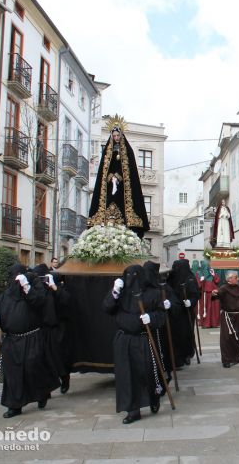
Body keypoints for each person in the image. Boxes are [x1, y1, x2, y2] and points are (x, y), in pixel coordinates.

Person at [0, 265, 57, 417]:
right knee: (13, 374)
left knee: (33, 369)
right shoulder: (6, 295)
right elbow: (1, 314)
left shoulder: (34, 287)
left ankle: (42, 394)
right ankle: (14, 406)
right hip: (12, 341)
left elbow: (40, 302)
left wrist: (27, 287)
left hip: (32, 337)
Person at [104, 265, 166, 424]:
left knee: (146, 372)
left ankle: (153, 398)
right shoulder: (122, 293)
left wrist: (151, 317)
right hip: (124, 339)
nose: (132, 278)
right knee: (126, 375)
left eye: (135, 275)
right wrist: (115, 292)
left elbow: (161, 315)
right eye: (129, 275)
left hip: (143, 339)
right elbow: (107, 308)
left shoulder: (153, 293)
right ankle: (133, 409)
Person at [88, 126, 150, 236]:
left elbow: (131, 172)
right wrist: (111, 177)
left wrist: (118, 177)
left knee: (124, 207)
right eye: (114, 136)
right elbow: (103, 171)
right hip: (109, 187)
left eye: (118, 135)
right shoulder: (107, 151)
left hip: (124, 190)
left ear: (121, 135)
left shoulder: (128, 151)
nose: (116, 138)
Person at [33, 264, 71, 394]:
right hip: (42, 329)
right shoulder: (37, 290)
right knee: (43, 360)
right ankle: (45, 390)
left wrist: (54, 288)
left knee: (59, 357)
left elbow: (66, 301)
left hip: (57, 328)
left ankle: (64, 378)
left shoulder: (57, 288)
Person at [211, 271, 239, 368]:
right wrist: (214, 293)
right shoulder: (224, 288)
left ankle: (237, 356)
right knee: (227, 338)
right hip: (228, 316)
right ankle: (226, 359)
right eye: (236, 277)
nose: (238, 279)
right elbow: (217, 294)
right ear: (229, 279)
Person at [166, 259, 199, 368]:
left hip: (186, 312)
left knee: (186, 333)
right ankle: (176, 357)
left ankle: (187, 354)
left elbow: (196, 294)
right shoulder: (171, 278)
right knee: (175, 334)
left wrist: (191, 301)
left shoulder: (190, 278)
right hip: (174, 311)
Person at [196, 261, 220, 328]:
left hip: (213, 293)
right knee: (206, 309)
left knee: (214, 309)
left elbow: (217, 281)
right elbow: (198, 285)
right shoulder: (199, 273)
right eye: (205, 266)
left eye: (208, 266)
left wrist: (214, 274)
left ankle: (214, 323)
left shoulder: (212, 272)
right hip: (204, 294)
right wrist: (201, 280)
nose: (207, 268)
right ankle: (206, 323)